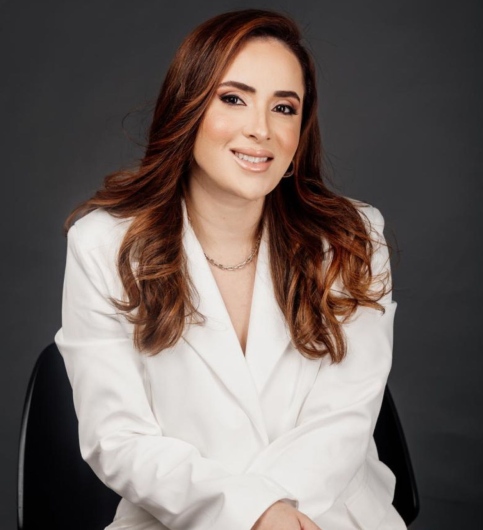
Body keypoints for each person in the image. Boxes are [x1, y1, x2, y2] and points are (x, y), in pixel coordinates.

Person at [55, 8, 405, 530]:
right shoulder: (102, 244)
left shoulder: (352, 238)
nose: (260, 129)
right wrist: (251, 512)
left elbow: (345, 418)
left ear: (300, 131)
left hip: (326, 513)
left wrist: (277, 515)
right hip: (180, 516)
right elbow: (117, 437)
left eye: (283, 107)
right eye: (234, 98)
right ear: (188, 107)